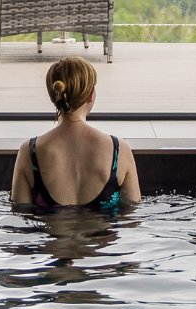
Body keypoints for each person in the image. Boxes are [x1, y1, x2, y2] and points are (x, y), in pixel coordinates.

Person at [11, 55, 141, 211]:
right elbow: (132, 218)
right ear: (91, 94)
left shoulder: (29, 152)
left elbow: (21, 215)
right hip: (102, 234)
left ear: (54, 95)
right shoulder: (119, 150)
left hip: (53, 235)